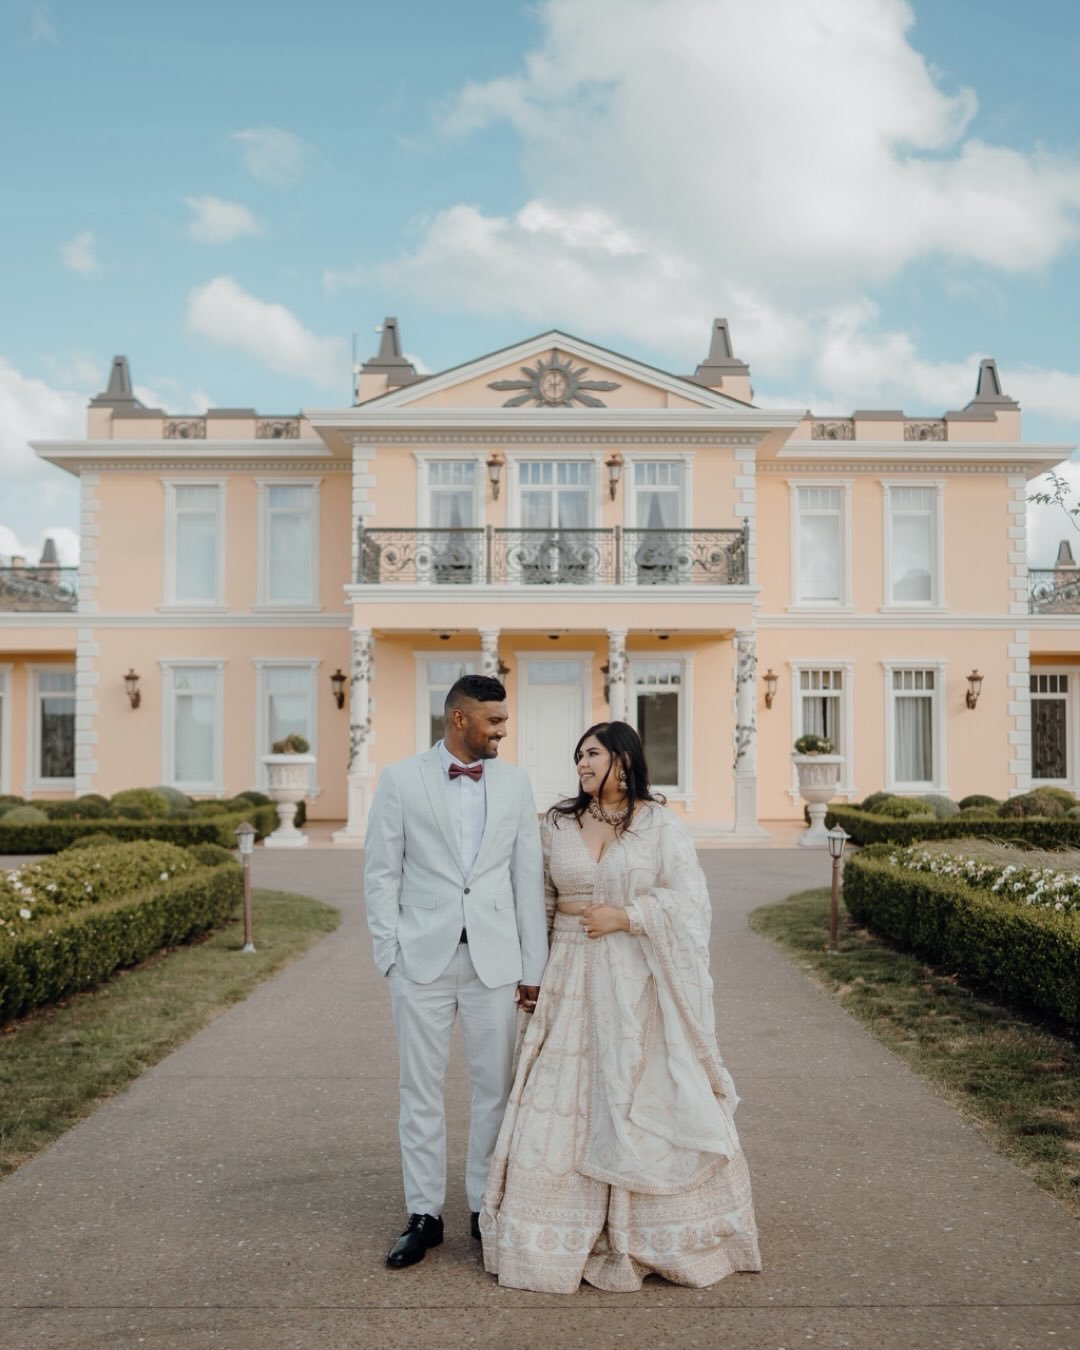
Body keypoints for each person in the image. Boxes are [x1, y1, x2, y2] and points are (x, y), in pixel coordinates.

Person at [480, 721, 761, 1293]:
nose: (581, 765)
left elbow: (690, 902)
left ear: (624, 761)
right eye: (578, 755)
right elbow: (536, 902)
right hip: (567, 977)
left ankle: (654, 1233)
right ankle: (556, 1235)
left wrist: (628, 917)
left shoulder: (658, 823)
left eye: (592, 754)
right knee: (561, 1097)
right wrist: (529, 976)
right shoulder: (557, 823)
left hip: (636, 984)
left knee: (636, 1094)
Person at [364, 674, 547, 1269]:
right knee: (419, 1089)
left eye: (504, 721)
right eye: (494, 721)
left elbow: (526, 879)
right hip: (420, 959)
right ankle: (424, 1214)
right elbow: (381, 872)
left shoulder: (516, 784)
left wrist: (533, 966)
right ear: (459, 719)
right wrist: (388, 953)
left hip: (495, 961)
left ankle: (481, 1206)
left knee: (494, 1089)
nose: (502, 731)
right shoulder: (399, 779)